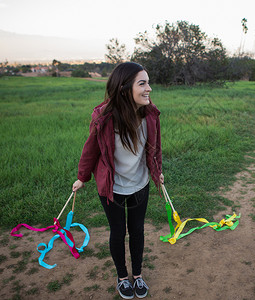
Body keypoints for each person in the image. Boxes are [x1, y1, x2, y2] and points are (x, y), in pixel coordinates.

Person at [72, 62, 164, 299]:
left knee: (137, 230)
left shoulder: (150, 114)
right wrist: (82, 177)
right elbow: (90, 149)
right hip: (111, 187)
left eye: (148, 83)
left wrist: (157, 171)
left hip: (140, 184)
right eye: (142, 83)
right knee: (117, 231)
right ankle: (122, 277)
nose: (149, 89)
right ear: (124, 89)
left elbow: (155, 149)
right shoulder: (103, 118)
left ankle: (138, 275)